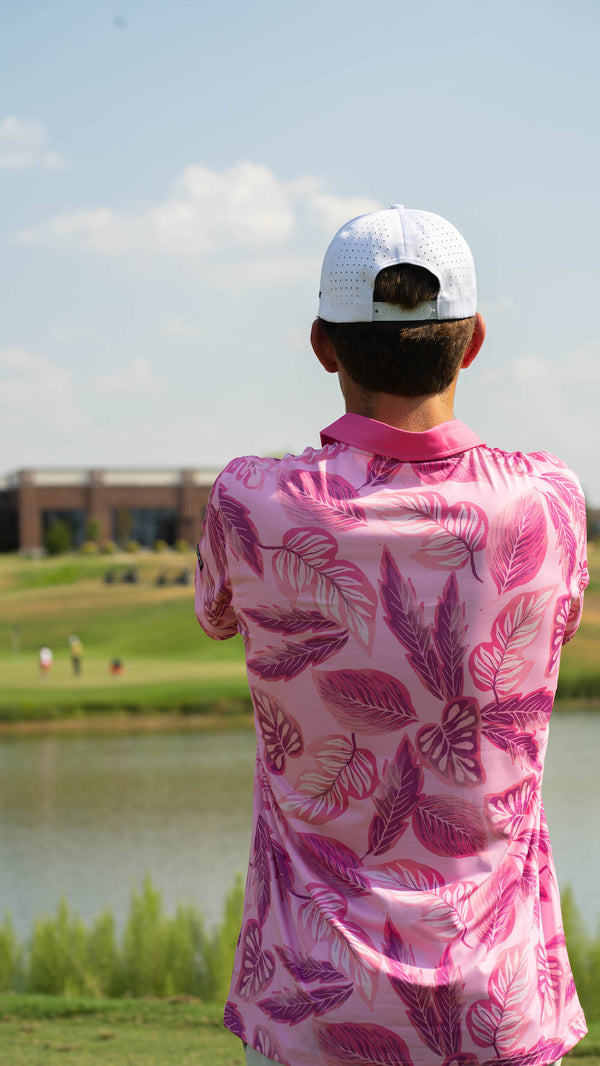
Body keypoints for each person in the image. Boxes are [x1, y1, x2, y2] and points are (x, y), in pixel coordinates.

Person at [194, 204, 589, 1066]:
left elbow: (216, 615)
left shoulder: (249, 500)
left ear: (323, 346)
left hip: (311, 1001)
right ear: (473, 341)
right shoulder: (549, 500)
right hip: (500, 1006)